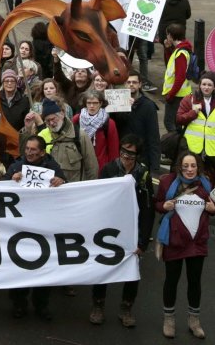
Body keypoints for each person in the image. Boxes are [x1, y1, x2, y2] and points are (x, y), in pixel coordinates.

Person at [89, 136, 154, 328]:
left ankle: (126, 308)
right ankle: (98, 305)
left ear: (137, 155)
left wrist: (143, 242)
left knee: (131, 270)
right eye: (123, 151)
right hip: (109, 229)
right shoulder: (108, 170)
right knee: (103, 267)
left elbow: (148, 210)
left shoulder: (142, 174)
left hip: (131, 231)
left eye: (131, 154)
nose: (126, 156)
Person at [5, 135, 65, 320]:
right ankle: (19, 304)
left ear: (42, 152)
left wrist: (61, 182)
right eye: (27, 149)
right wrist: (10, 179)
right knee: (19, 266)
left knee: (43, 267)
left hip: (44, 227)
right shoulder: (16, 166)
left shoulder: (53, 168)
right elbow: (0, 189)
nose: (29, 153)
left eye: (33, 150)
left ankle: (41, 305)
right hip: (20, 226)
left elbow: (67, 190)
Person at [155, 151, 214, 339]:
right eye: (186, 166)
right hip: (174, 241)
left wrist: (213, 210)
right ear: (179, 166)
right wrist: (163, 206)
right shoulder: (167, 183)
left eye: (193, 166)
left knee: (195, 282)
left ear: (198, 167)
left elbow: (211, 207)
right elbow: (157, 204)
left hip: (197, 242)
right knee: (171, 281)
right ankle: (169, 319)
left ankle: (194, 320)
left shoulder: (205, 184)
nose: (190, 170)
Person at [21, 99, 97, 182]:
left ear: (62, 114)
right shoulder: (43, 135)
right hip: (51, 191)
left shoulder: (79, 136)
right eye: (47, 121)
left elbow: (92, 167)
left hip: (74, 190)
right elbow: (26, 156)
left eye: (53, 119)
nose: (51, 123)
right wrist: (28, 129)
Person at [176, 71, 215, 172]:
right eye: (204, 84)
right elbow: (178, 119)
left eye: (210, 85)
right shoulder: (189, 99)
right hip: (191, 148)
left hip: (211, 150)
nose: (206, 87)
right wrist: (193, 113)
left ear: (214, 87)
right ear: (200, 85)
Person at [75, 90, 119, 174]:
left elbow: (113, 149)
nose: (92, 106)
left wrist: (112, 169)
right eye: (89, 103)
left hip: (101, 166)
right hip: (81, 166)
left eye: (95, 103)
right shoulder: (77, 119)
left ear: (101, 103)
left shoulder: (109, 123)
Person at [162, 23, 193, 133]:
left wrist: (170, 95)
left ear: (170, 35)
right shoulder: (179, 50)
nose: (166, 37)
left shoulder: (181, 53)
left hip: (177, 95)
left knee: (170, 123)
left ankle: (177, 146)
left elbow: (179, 77)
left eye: (167, 35)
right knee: (176, 124)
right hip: (178, 94)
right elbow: (170, 64)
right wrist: (167, 49)